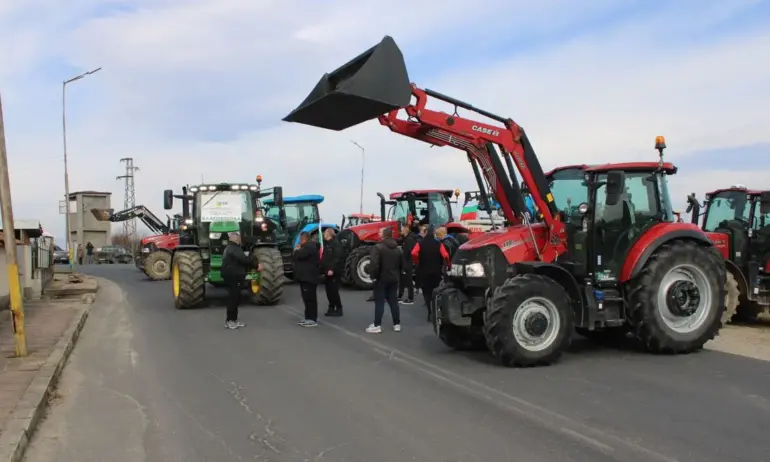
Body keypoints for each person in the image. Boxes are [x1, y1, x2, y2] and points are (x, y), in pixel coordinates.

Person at [221, 232, 261, 329]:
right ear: (236, 239)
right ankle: (230, 321)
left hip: (232, 275)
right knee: (233, 298)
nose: (240, 240)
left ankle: (233, 320)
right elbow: (244, 260)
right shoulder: (235, 249)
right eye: (239, 238)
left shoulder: (229, 248)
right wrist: (256, 265)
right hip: (234, 276)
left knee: (235, 298)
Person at [366, 228, 402, 334]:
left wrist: (374, 276)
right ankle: (397, 324)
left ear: (384, 235)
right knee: (393, 301)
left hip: (381, 278)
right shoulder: (398, 249)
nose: (378, 234)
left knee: (379, 301)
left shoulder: (378, 247)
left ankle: (377, 325)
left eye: (380, 232)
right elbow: (401, 265)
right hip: (394, 278)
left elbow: (374, 264)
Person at [411, 226, 450, 322]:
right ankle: (435, 310)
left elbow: (413, 253)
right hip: (436, 271)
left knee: (426, 292)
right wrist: (447, 265)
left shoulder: (420, 243)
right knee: (435, 291)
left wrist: (417, 261)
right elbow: (445, 255)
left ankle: (429, 311)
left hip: (423, 270)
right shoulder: (438, 244)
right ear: (433, 234)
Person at [294, 231, 321, 327]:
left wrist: (297, 250)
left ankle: (312, 319)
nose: (299, 242)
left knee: (310, 299)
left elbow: (299, 255)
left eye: (300, 240)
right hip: (306, 277)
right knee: (307, 299)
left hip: (309, 278)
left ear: (304, 239)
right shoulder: (308, 247)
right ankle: (308, 317)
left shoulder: (310, 247)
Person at [320, 228, 343, 317]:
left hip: (333, 272)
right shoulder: (327, 244)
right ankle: (331, 307)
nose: (323, 235)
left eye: (325, 233)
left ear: (329, 234)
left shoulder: (335, 244)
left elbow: (337, 258)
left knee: (334, 291)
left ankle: (339, 308)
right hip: (327, 271)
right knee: (328, 291)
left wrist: (332, 269)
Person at [397, 224, 418, 304]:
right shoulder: (407, 239)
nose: (401, 229)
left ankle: (410, 298)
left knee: (408, 281)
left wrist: (405, 264)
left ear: (406, 229)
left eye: (402, 228)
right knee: (402, 281)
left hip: (407, 263)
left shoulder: (409, 240)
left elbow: (408, 253)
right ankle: (399, 296)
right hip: (405, 262)